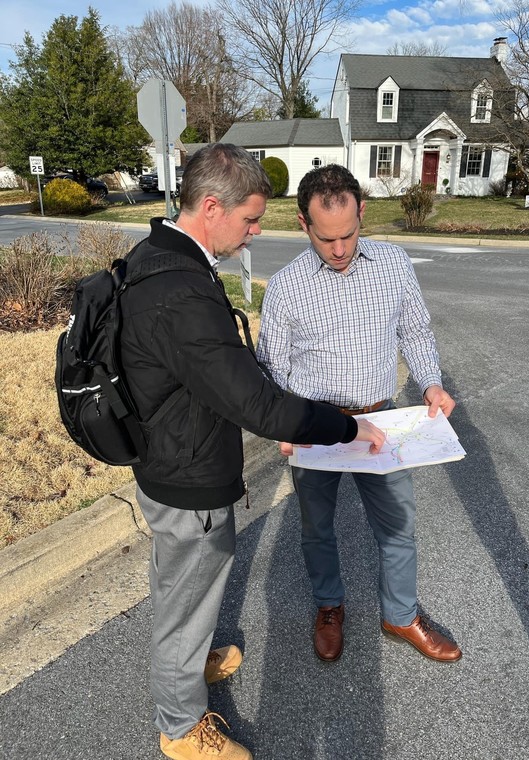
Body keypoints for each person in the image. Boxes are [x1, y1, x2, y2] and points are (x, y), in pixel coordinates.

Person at [118, 145, 385, 760]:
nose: (258, 230)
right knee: (186, 598)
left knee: (181, 588)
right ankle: (181, 727)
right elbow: (256, 403)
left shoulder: (161, 254)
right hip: (187, 473)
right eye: (251, 218)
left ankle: (187, 663)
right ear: (212, 208)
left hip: (169, 454)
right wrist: (345, 429)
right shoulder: (181, 292)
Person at [257, 164, 462, 666]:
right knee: (317, 529)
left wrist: (431, 382)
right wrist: (283, 424)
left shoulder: (394, 264)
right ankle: (329, 606)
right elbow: (272, 367)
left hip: (380, 421)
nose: (339, 249)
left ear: (362, 212)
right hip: (315, 425)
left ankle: (400, 615)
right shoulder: (286, 286)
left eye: (348, 234)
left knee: (398, 525)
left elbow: (414, 330)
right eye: (326, 238)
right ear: (303, 224)